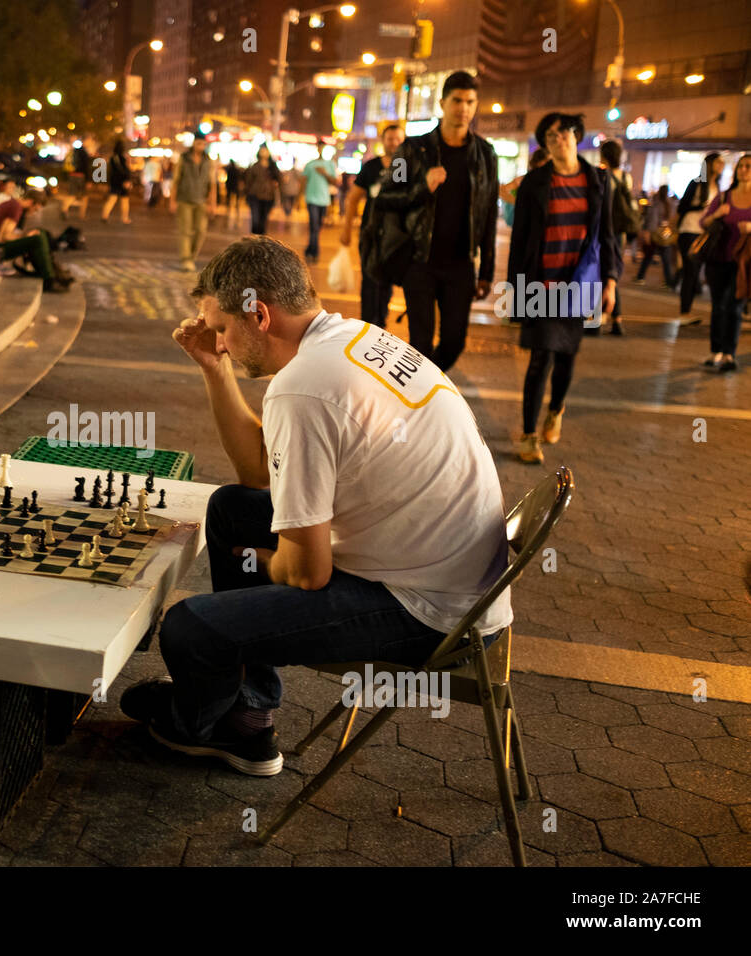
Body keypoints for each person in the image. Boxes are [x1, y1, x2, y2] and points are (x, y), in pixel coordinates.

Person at [117, 236, 512, 775]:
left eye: (221, 329)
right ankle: (249, 708)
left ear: (258, 314)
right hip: (453, 575)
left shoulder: (303, 389)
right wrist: (215, 369)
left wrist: (264, 557)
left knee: (190, 628)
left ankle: (199, 724)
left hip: (432, 613)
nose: (221, 342)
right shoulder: (354, 336)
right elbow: (257, 473)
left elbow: (306, 573)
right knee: (232, 508)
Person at [507, 113, 620, 464]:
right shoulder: (534, 183)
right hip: (542, 281)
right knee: (541, 357)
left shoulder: (598, 180)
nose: (560, 139)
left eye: (566, 133)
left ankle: (555, 410)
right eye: (552, 136)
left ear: (577, 136)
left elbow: (608, 235)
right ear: (546, 144)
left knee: (567, 354)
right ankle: (528, 434)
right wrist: (516, 292)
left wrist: (611, 281)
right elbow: (519, 240)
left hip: (582, 281)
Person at [376, 70, 498, 374]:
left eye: (470, 101)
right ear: (443, 102)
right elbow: (385, 197)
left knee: (455, 341)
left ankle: (425, 387)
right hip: (420, 261)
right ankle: (420, 405)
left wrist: (487, 271)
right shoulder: (412, 149)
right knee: (420, 343)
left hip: (460, 265)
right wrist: (422, 188)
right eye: (457, 100)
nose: (463, 108)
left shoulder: (485, 154)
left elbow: (488, 214)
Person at [341, 124, 407, 327]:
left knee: (387, 279)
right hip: (370, 232)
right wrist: (346, 230)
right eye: (390, 139)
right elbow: (353, 198)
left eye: (398, 139)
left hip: (396, 236)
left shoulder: (404, 167)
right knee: (369, 278)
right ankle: (368, 323)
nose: (394, 143)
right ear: (383, 141)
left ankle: (381, 320)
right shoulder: (371, 167)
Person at [697, 152, 751, 373]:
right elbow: (703, 222)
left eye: (748, 166)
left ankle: (729, 353)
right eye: (741, 166)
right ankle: (715, 351)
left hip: (743, 263)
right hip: (718, 258)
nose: (744, 170)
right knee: (718, 306)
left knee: (734, 307)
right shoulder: (724, 197)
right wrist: (717, 213)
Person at [0, 190, 72, 293]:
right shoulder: (15, 208)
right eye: (35, 209)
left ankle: (53, 272)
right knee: (37, 239)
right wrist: (25, 236)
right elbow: (3, 237)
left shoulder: (16, 207)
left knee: (41, 233)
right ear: (31, 202)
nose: (34, 213)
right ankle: (49, 279)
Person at [676, 152, 724, 324]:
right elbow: (681, 208)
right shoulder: (696, 183)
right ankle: (684, 313)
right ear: (710, 164)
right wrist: (699, 206)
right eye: (719, 162)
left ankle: (691, 311)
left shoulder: (717, 186)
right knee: (691, 272)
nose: (722, 165)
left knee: (699, 273)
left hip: (706, 234)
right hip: (689, 230)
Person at [596, 139, 636, 336]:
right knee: (613, 272)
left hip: (606, 230)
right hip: (621, 231)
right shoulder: (626, 177)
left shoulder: (604, 176)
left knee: (604, 272)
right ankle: (616, 320)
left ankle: (604, 316)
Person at [170, 130, 216, 272]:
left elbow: (212, 183)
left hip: (201, 201)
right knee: (185, 231)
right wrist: (172, 200)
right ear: (194, 143)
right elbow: (176, 180)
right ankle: (186, 259)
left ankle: (192, 256)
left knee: (200, 231)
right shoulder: (184, 159)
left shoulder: (208, 161)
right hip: (184, 199)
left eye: (203, 144)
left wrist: (212, 203)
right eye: (198, 143)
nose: (200, 146)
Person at [634, 187, 676, 287]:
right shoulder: (670, 204)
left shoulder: (657, 204)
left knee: (648, 256)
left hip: (656, 234)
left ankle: (640, 277)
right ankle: (668, 281)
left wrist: (647, 233)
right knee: (666, 260)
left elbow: (652, 219)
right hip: (665, 234)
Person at [301, 149, 337, 263]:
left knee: (318, 226)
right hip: (311, 199)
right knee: (314, 226)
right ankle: (314, 252)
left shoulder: (330, 164)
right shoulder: (310, 164)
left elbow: (334, 181)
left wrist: (324, 173)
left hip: (324, 200)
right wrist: (299, 197)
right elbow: (304, 180)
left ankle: (310, 249)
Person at [243, 145, 281, 235]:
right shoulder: (255, 166)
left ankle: (261, 241)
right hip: (255, 196)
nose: (263, 152)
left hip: (268, 197)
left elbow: (279, 179)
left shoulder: (273, 167)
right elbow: (248, 181)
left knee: (263, 220)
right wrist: (247, 194)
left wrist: (276, 182)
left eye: (265, 150)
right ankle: (254, 239)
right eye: (262, 150)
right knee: (255, 220)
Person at [61, 134, 96, 221]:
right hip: (81, 176)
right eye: (90, 140)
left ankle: (64, 209)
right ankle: (82, 215)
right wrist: (88, 180)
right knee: (84, 196)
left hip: (72, 175)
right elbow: (86, 167)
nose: (91, 142)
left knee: (72, 195)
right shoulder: (83, 152)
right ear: (86, 141)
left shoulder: (75, 151)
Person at [100, 138, 133, 224]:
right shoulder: (123, 158)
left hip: (114, 181)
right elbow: (126, 170)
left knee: (112, 199)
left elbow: (110, 171)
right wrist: (127, 180)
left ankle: (104, 216)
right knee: (124, 200)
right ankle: (124, 218)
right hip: (123, 181)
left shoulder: (112, 158)